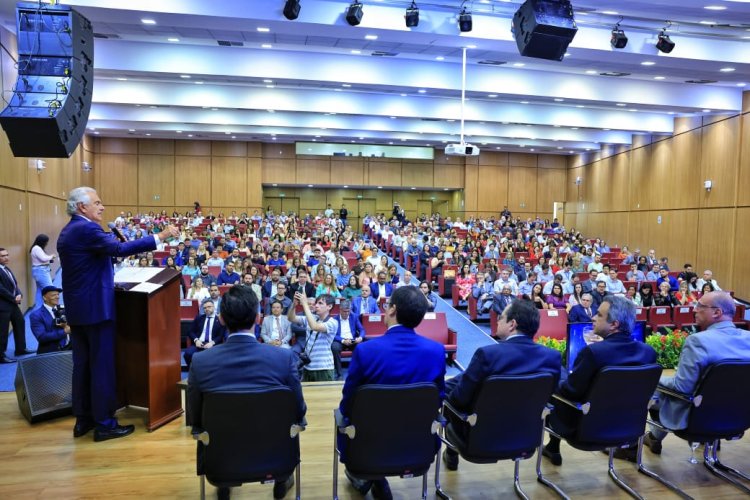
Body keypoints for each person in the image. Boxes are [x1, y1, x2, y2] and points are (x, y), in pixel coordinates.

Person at [57, 187, 179, 441]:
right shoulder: (86, 229)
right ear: (82, 207)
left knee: (82, 366)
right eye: (97, 203)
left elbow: (93, 260)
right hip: (96, 310)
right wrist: (162, 235)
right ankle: (105, 424)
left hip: (79, 309)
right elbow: (119, 251)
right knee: (101, 367)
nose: (102, 207)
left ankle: (84, 419)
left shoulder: (70, 229)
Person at [188, 285, 304, 500]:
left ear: (221, 319)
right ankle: (280, 480)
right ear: (258, 318)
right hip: (275, 458)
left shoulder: (201, 361)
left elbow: (195, 418)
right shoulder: (284, 359)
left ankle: (226, 482)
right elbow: (299, 411)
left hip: (221, 460)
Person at [338, 286, 446, 498]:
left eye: (386, 305)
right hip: (418, 442)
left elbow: (348, 404)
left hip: (369, 445)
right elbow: (438, 398)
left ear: (392, 309)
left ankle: (372, 475)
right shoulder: (436, 351)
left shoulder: (366, 351)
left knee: (344, 417)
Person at [442, 299, 562, 470]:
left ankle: (451, 454)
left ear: (512, 324)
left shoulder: (488, 355)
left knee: (449, 400)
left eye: (501, 317)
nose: (497, 320)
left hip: (480, 439)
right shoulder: (552, 357)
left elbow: (460, 399)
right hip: (526, 438)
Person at [542, 296, 657, 466]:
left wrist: (552, 381)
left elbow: (570, 392)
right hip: (628, 427)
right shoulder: (648, 353)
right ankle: (630, 447)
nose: (593, 318)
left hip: (584, 428)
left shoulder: (593, 353)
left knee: (555, 376)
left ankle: (552, 447)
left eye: (599, 315)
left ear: (614, 324)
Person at [643, 292, 750, 457]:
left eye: (700, 306)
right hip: (738, 418)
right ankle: (712, 439)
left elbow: (682, 388)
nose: (694, 309)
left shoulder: (698, 341)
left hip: (696, 420)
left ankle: (634, 443)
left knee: (653, 387)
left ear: (717, 312)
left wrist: (653, 378)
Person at [287, 291, 338, 382]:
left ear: (329, 307)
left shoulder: (333, 322)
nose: (316, 306)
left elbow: (315, 326)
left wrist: (305, 304)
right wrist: (294, 305)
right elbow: (291, 318)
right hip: (307, 366)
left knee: (323, 396)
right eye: (316, 303)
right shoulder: (313, 318)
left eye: (320, 303)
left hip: (323, 368)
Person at [0, 247, 33, 362]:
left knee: (20, 322)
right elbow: (1, 289)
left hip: (12, 304)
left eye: (7, 255)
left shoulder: (6, 268)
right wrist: (14, 298)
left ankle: (20, 348)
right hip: (3, 306)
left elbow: (14, 284)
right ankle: (1, 356)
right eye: (2, 256)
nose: (6, 257)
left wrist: (19, 293)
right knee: (2, 331)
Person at [184, 299, 227, 368]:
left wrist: (212, 343)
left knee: (213, 358)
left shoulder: (219, 319)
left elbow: (221, 335)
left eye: (209, 307)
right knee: (188, 354)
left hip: (212, 345)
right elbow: (190, 331)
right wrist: (196, 340)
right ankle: (193, 371)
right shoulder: (199, 318)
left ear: (214, 307)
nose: (207, 309)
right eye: (205, 308)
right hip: (199, 344)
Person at [331, 299, 365, 380]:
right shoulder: (334, 319)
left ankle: (358, 372)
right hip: (340, 341)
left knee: (361, 347)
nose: (346, 313)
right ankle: (339, 374)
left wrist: (360, 337)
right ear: (340, 310)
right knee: (334, 347)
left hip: (352, 340)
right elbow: (332, 334)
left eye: (348, 311)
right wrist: (343, 340)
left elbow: (362, 330)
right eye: (344, 311)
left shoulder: (354, 317)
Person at [29, 286, 69, 354]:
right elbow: (42, 337)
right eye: (53, 295)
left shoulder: (64, 309)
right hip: (52, 353)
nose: (57, 297)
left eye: (58, 294)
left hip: (71, 348)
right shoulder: (36, 315)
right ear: (44, 298)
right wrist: (64, 331)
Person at [29, 234, 56, 310]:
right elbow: (44, 259)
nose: (46, 243)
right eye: (46, 242)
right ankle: (52, 309)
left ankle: (38, 309)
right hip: (41, 271)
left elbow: (45, 261)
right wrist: (51, 256)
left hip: (40, 271)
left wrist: (50, 259)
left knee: (40, 291)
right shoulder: (37, 248)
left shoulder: (37, 248)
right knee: (50, 289)